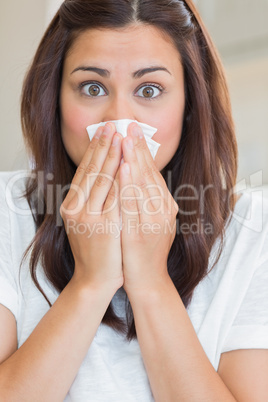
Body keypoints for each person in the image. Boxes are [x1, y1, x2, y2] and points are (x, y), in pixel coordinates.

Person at [0, 0, 267, 400]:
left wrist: (150, 281)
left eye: (149, 89)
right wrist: (92, 282)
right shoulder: (8, 209)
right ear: (53, 102)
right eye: (93, 87)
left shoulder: (253, 231)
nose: (119, 120)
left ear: (189, 106)